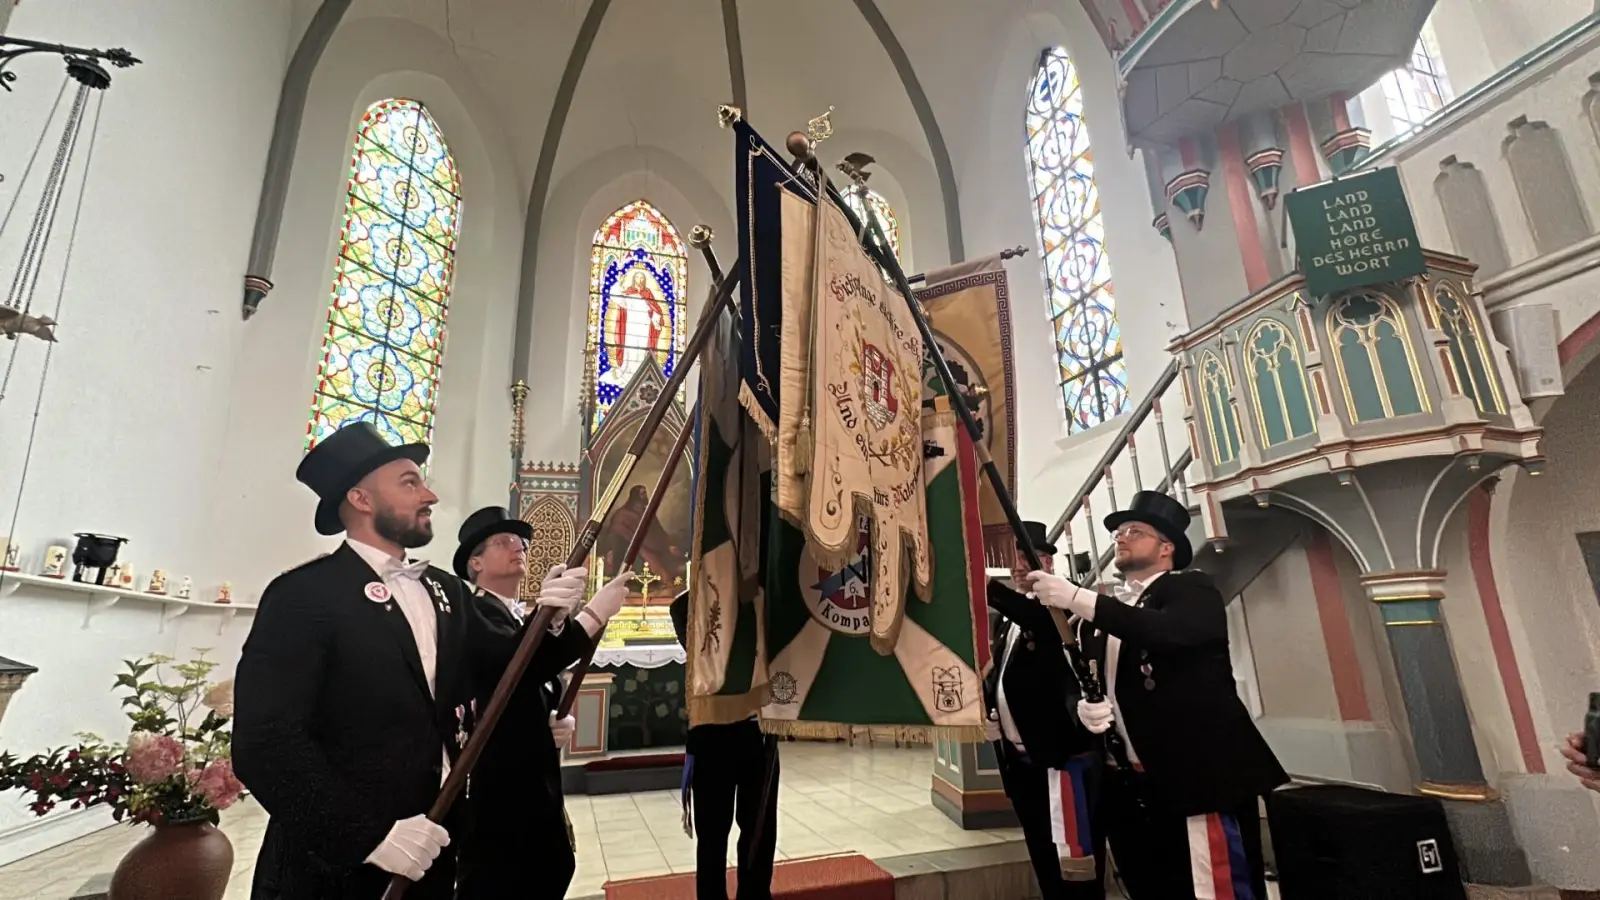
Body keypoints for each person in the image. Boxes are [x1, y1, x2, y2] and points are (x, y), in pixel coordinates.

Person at [233, 423, 600, 900]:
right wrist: (369, 837)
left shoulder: (444, 590)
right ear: (361, 499)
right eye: (409, 482)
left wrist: (553, 617)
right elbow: (266, 744)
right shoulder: (304, 595)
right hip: (330, 868)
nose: (429, 494)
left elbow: (514, 669)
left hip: (433, 844)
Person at [1024, 490, 1288, 900]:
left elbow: (1163, 633)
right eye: (1117, 532)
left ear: (1167, 548)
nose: (1121, 537)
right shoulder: (1109, 613)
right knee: (1148, 885)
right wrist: (1084, 708)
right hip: (1132, 784)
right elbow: (1088, 678)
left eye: (1134, 531)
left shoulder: (1192, 589)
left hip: (1196, 777)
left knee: (1209, 887)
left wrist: (1078, 597)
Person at [451, 505, 630, 900]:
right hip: (499, 785)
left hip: (528, 776)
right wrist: (594, 614)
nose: (518, 548)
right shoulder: (474, 613)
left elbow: (529, 680)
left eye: (521, 542)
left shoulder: (511, 617)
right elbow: (515, 665)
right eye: (503, 542)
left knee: (545, 869)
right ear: (475, 562)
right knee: (502, 881)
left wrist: (548, 717)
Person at [984, 522, 1104, 899]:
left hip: (1061, 760)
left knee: (1076, 861)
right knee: (1042, 851)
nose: (1017, 566)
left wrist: (981, 581)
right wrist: (994, 713)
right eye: (1012, 559)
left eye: (1024, 557)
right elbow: (1003, 674)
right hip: (1022, 761)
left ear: (1047, 562)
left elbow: (1039, 624)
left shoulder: (1063, 609)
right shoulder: (1008, 622)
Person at [670, 590, 778, 900]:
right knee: (713, 832)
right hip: (712, 729)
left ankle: (755, 894)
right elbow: (681, 617)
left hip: (759, 728)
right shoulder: (708, 586)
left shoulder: (763, 588)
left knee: (760, 828)